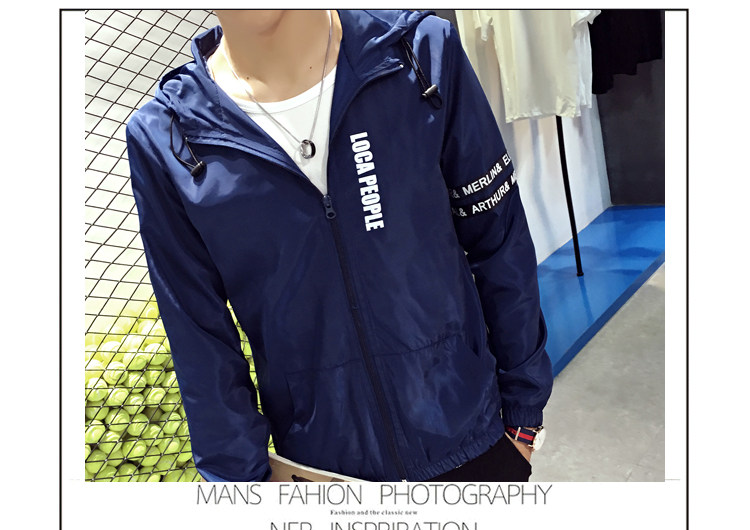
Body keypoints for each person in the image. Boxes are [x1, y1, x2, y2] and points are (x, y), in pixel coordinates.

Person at [126, 9, 553, 482]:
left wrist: (524, 411)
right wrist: (241, 484)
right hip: (320, 469)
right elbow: (197, 336)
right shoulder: (169, 136)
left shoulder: (418, 54)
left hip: (473, 438)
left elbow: (499, 237)